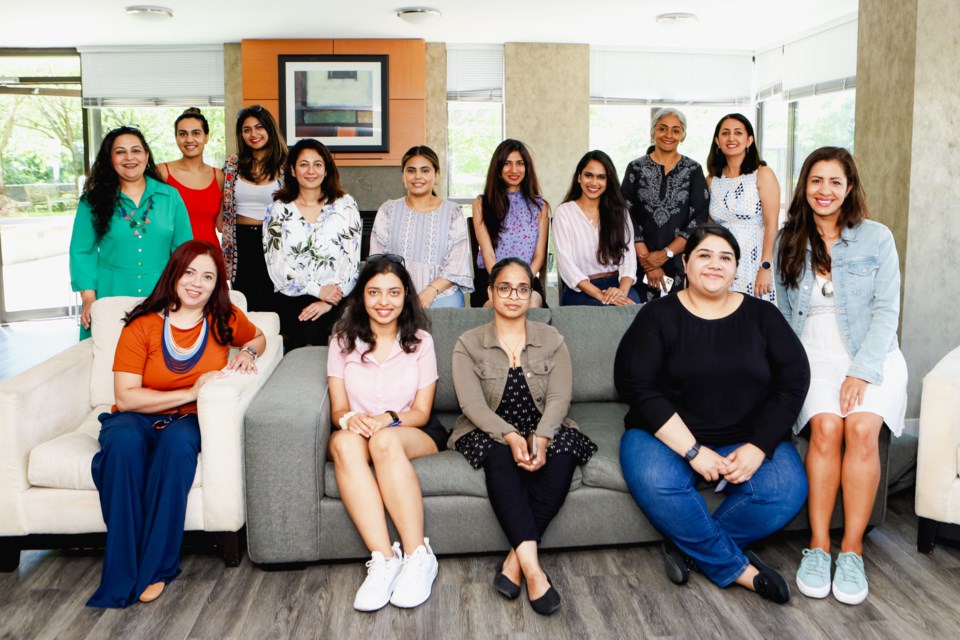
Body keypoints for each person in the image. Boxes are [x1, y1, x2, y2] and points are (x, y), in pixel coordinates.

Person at [614, 225, 810, 605]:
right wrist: (692, 451)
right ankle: (737, 570)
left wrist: (758, 446)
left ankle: (689, 549)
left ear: (736, 267)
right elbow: (637, 386)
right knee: (657, 480)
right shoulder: (657, 316)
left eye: (726, 258)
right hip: (667, 436)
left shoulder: (763, 316)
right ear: (686, 263)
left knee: (786, 489)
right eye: (704, 255)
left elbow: (793, 380)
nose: (715, 265)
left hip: (746, 433)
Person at [87, 240, 266, 608]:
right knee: (121, 447)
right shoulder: (142, 325)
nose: (196, 283)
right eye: (189, 272)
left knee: (176, 448)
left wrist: (247, 351)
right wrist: (190, 390)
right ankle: (121, 570)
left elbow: (261, 336)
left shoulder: (223, 317)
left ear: (217, 284)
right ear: (174, 274)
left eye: (208, 276)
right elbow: (129, 395)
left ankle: (156, 568)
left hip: (187, 421)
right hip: (134, 416)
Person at [775, 147, 907, 606]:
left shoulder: (877, 238)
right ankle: (818, 545)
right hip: (813, 352)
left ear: (849, 188)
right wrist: (784, 371)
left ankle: (852, 549)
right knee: (827, 430)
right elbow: (786, 314)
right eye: (816, 181)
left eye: (834, 182)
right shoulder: (788, 239)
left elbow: (887, 312)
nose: (824, 191)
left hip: (871, 352)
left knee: (863, 430)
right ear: (804, 186)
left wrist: (862, 372)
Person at [450, 257, 596, 615]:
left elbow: (561, 398)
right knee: (500, 458)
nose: (513, 296)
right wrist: (512, 437)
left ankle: (514, 561)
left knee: (564, 454)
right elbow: (471, 404)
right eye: (504, 287)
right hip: (489, 429)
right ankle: (534, 572)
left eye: (522, 288)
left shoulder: (552, 339)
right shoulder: (468, 343)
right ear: (490, 292)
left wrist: (542, 438)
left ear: (532, 294)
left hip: (542, 424)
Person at [326, 255, 448, 611]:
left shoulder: (421, 340)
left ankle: (418, 555)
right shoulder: (342, 340)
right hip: (361, 429)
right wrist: (350, 420)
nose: (384, 301)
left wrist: (386, 419)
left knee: (383, 438)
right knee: (342, 444)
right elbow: (337, 410)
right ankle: (383, 560)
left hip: (412, 429)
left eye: (394, 292)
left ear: (405, 295)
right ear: (361, 296)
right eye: (374, 292)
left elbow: (422, 412)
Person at [70, 126, 193, 339]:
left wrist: (183, 293)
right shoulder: (91, 201)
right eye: (120, 152)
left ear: (146, 155)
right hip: (110, 294)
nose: (129, 157)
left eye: (136, 150)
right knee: (107, 364)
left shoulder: (170, 196)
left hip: (161, 295)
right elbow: (82, 251)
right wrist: (89, 298)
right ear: (110, 159)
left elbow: (185, 251)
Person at [264, 139, 361, 351]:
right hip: (294, 297)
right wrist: (317, 291)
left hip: (339, 297)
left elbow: (352, 261)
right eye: (303, 164)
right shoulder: (278, 210)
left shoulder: (346, 205)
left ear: (326, 170)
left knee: (340, 335)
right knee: (305, 331)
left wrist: (328, 300)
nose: (311, 171)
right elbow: (276, 266)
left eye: (317, 164)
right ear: (292, 169)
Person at [620, 108, 709, 300]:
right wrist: (647, 261)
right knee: (638, 317)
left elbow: (699, 218)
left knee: (674, 317)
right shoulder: (635, 168)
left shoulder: (693, 170)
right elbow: (625, 213)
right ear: (653, 133)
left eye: (676, 130)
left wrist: (665, 254)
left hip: (678, 260)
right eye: (662, 128)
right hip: (638, 261)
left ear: (683, 136)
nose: (669, 135)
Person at [370, 146, 473, 308]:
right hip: (395, 293)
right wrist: (398, 293)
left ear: (436, 175)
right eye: (411, 171)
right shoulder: (388, 210)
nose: (418, 176)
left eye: (425, 170)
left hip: (441, 294)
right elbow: (377, 260)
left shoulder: (452, 212)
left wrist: (430, 292)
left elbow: (456, 264)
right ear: (403, 176)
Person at [707, 113, 780, 302]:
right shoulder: (711, 180)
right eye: (725, 133)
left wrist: (765, 267)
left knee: (753, 318)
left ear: (749, 140)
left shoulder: (763, 174)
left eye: (738, 133)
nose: (731, 138)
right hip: (721, 261)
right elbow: (708, 228)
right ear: (717, 140)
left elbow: (772, 225)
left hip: (754, 260)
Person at [221, 104, 287, 311]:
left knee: (277, 299)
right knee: (245, 303)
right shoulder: (233, 164)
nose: (253, 134)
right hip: (240, 242)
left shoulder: (286, 165)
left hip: (275, 241)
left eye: (259, 127)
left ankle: (279, 342)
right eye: (246, 129)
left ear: (270, 129)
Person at [553, 150, 639, 306]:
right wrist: (601, 296)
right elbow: (567, 265)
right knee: (599, 315)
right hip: (582, 289)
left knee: (632, 308)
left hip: (617, 285)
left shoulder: (620, 212)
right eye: (588, 175)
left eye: (601, 177)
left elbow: (629, 258)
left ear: (608, 181)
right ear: (579, 177)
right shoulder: (564, 213)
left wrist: (622, 292)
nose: (594, 183)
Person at [471, 140, 549, 308]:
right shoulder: (481, 204)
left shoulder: (540, 206)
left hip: (526, 277)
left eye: (520, 164)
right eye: (507, 164)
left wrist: (522, 283)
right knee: (496, 307)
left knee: (531, 305)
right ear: (498, 168)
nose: (514, 170)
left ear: (526, 168)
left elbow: (539, 256)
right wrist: (502, 284)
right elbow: (488, 253)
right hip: (491, 277)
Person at [157, 108, 225, 246]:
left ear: (206, 137)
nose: (189, 139)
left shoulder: (219, 176)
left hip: (210, 258)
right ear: (176, 137)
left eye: (196, 133)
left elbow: (222, 225)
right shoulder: (162, 172)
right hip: (175, 258)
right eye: (182, 134)